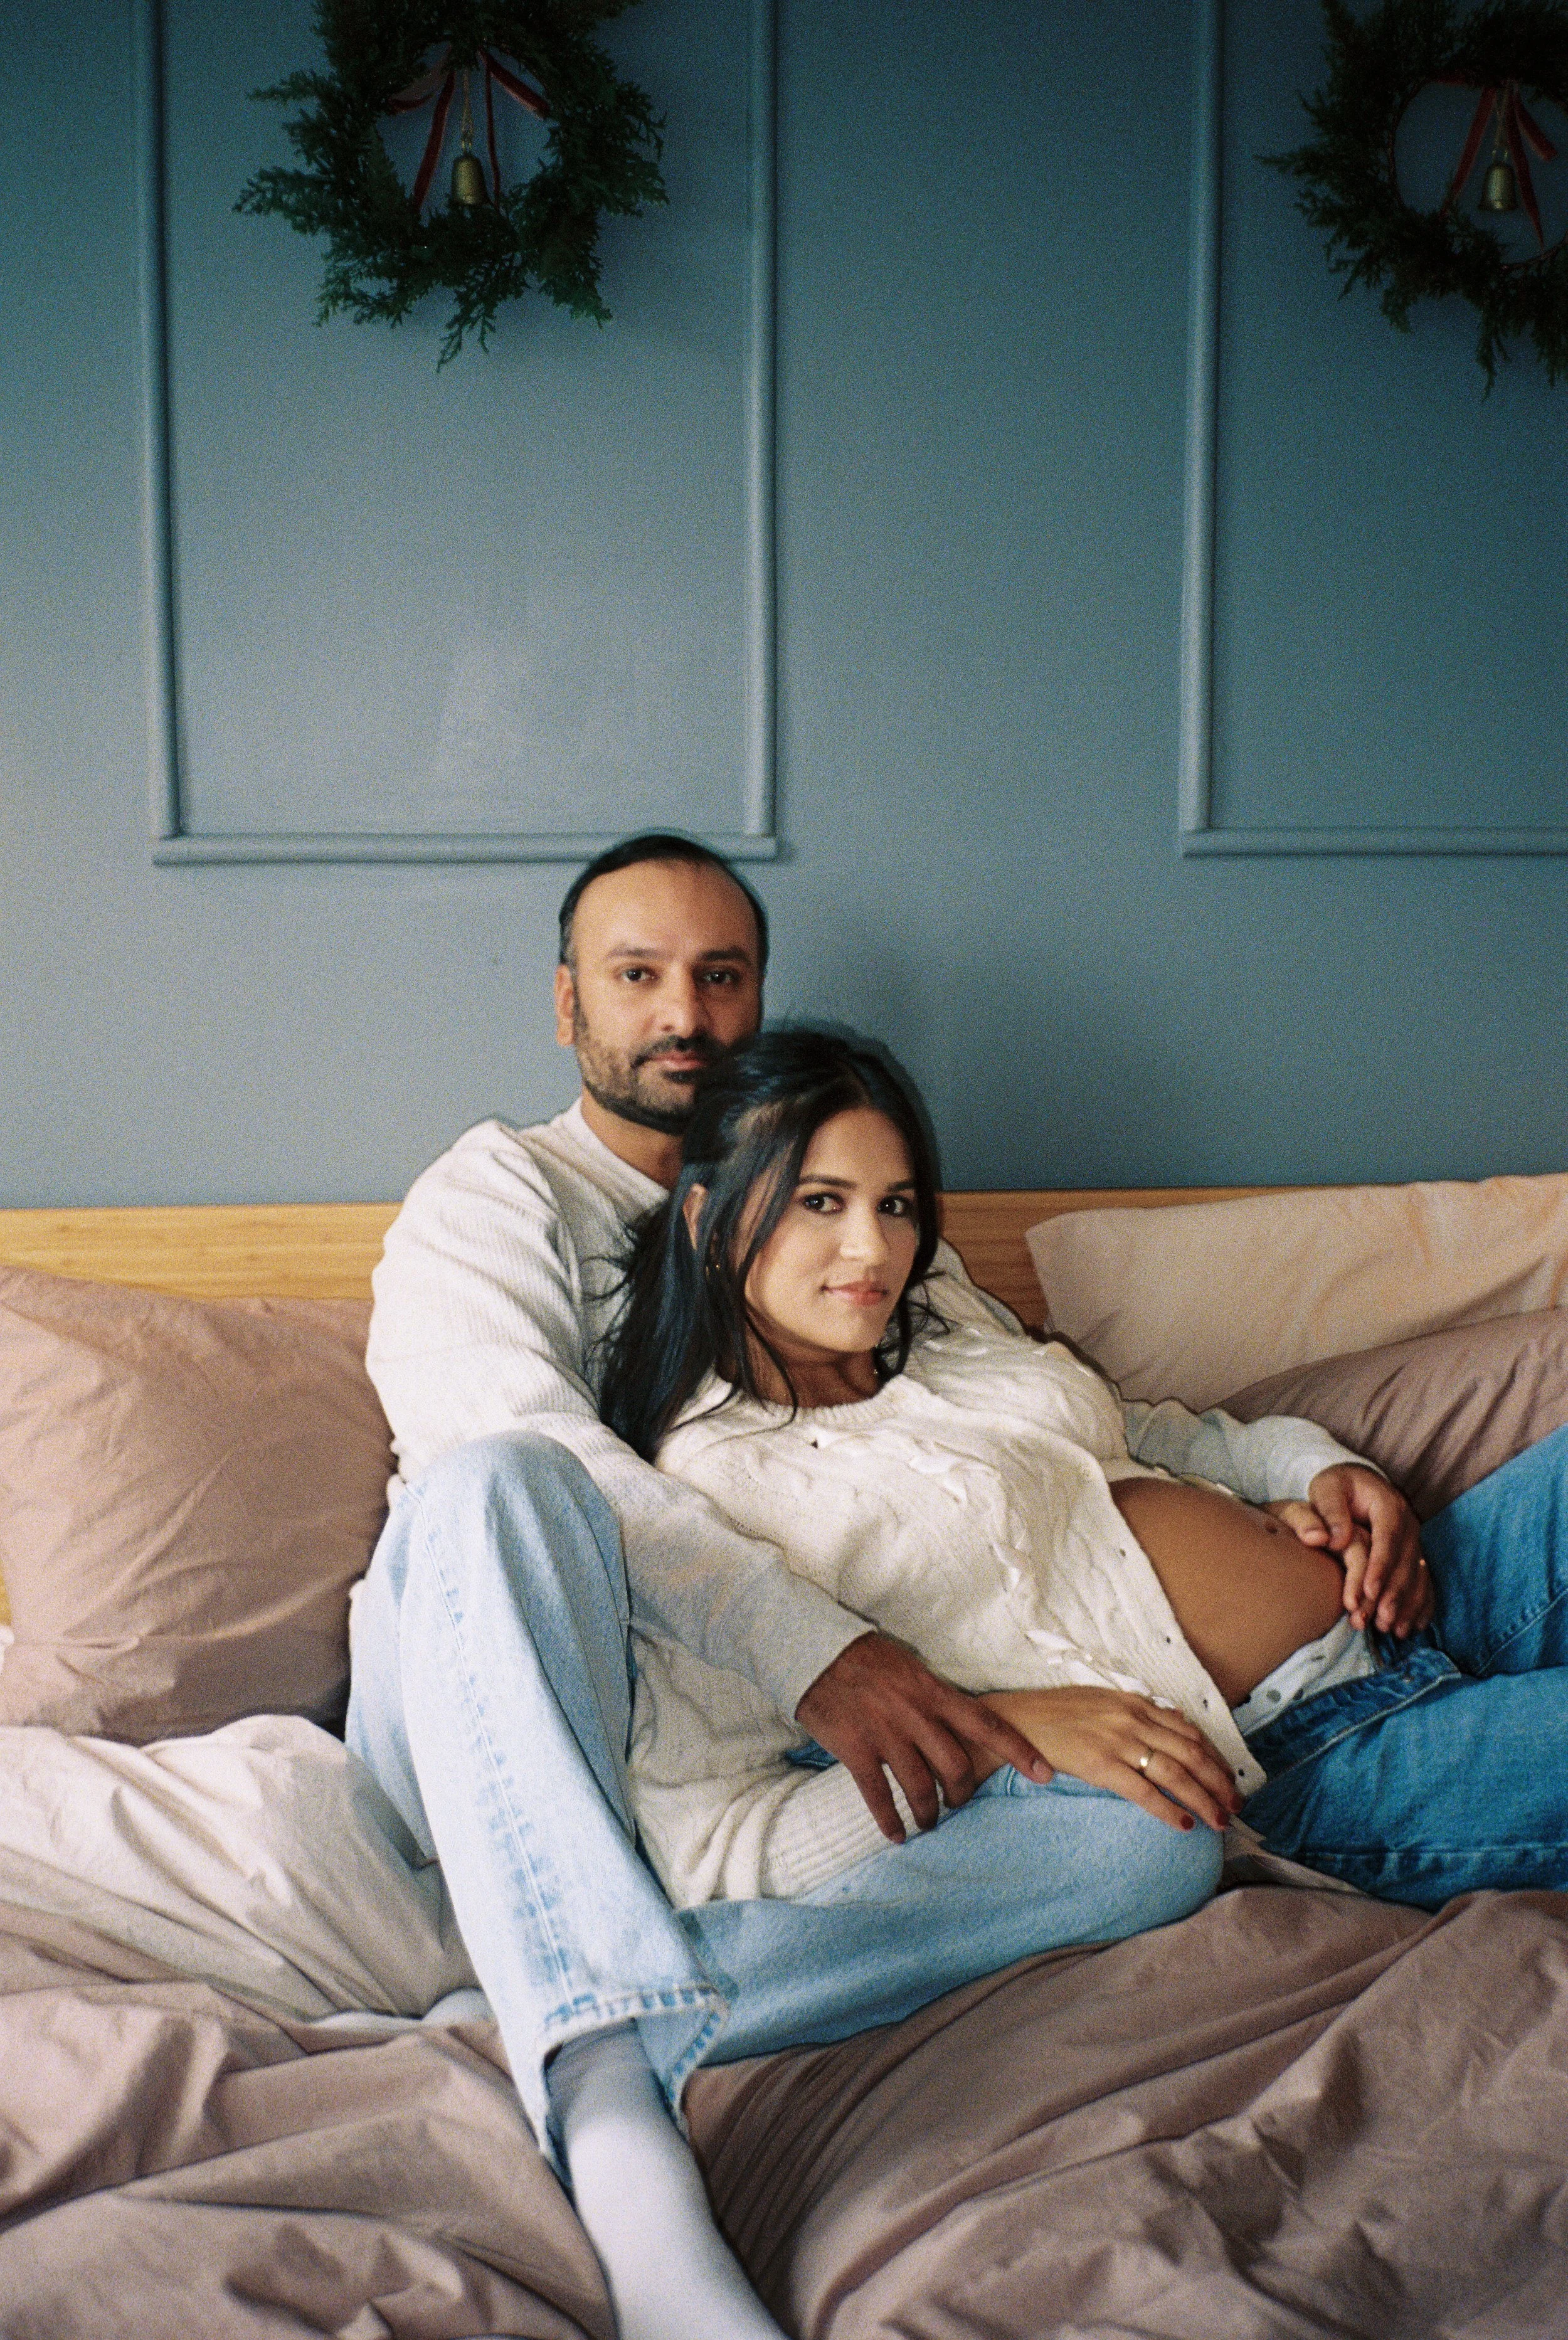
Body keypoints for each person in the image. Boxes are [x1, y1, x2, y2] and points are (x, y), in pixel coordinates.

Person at [348, 833, 1148, 2340]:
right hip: (492, 1710)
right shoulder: (496, 1193)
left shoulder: (846, 1201)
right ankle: (618, 2137)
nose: (684, 1015)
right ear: (566, 1003)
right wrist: (811, 1647)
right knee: (500, 1484)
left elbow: (1013, 1385)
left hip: (730, 1774)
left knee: (1152, 1844)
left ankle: (598, 1993)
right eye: (636, 975)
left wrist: (1281, 1465)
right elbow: (512, 1446)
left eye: (720, 977)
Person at [600, 1027, 1568, 1917]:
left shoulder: (944, 1329)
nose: (876, 1249)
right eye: (822, 1202)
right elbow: (714, 1846)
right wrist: (984, 1736)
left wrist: (1325, 1468)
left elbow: (1155, 1433)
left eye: (894, 1204)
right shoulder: (702, 1505)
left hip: (1413, 1593)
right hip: (1315, 1757)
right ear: (707, 1220)